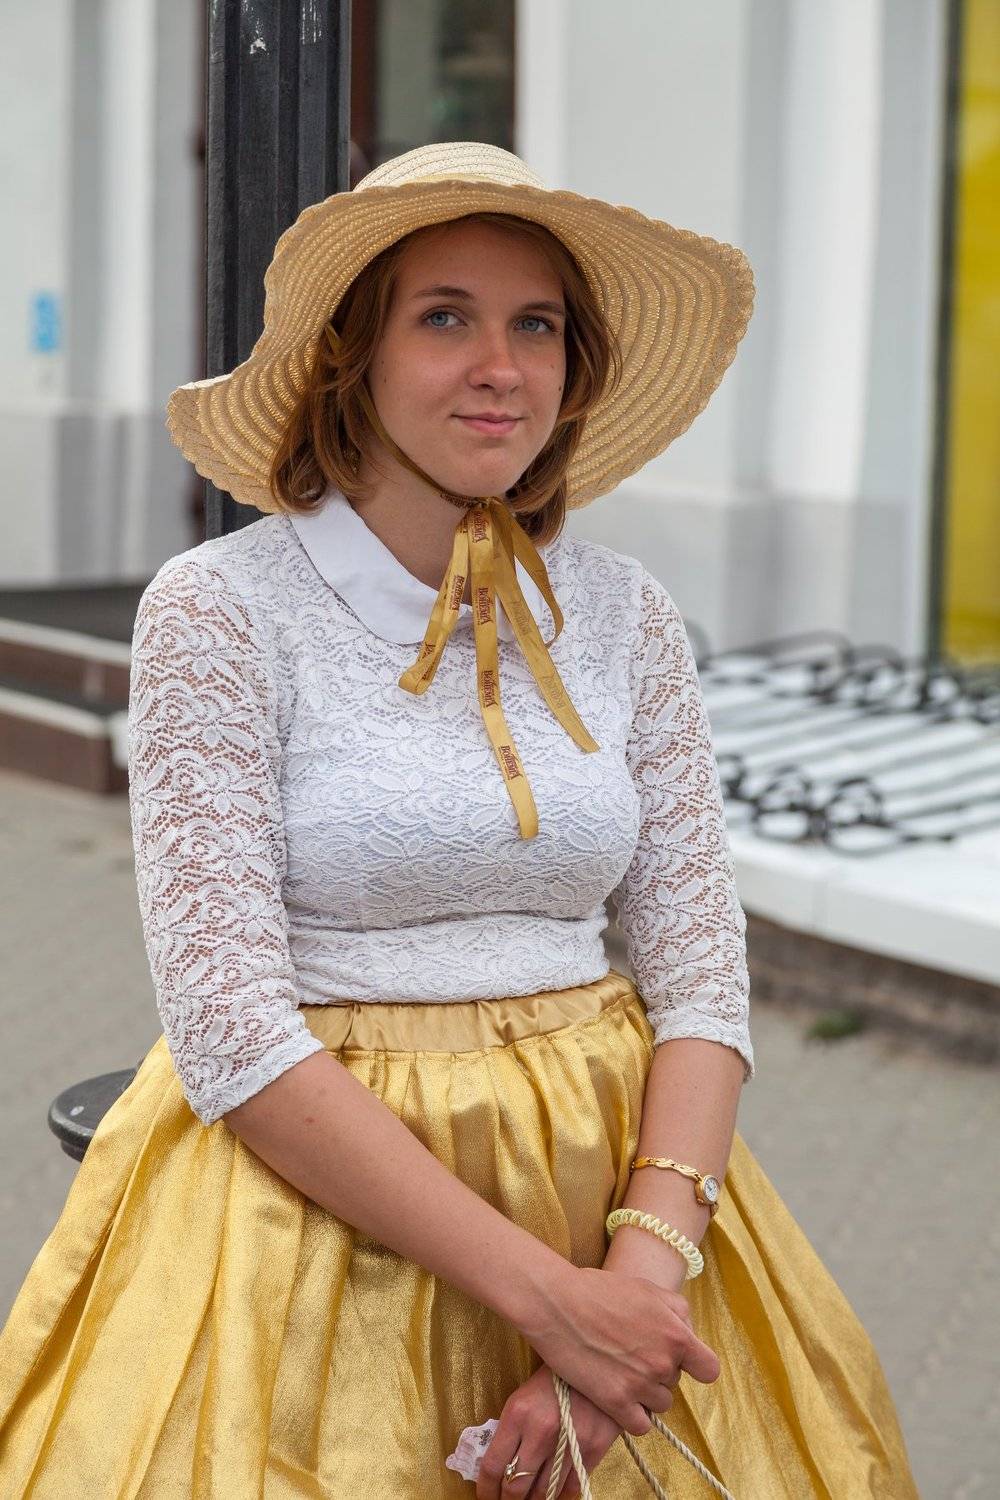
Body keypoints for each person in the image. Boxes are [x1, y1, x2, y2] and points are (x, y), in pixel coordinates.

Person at [0, 143, 919, 1499]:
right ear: (351, 362)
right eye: (446, 318)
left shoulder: (626, 613)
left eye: (535, 326)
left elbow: (703, 979)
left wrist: (634, 1289)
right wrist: (551, 1304)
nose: (501, 366)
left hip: (620, 1198)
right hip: (313, 1214)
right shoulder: (219, 610)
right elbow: (228, 1024)